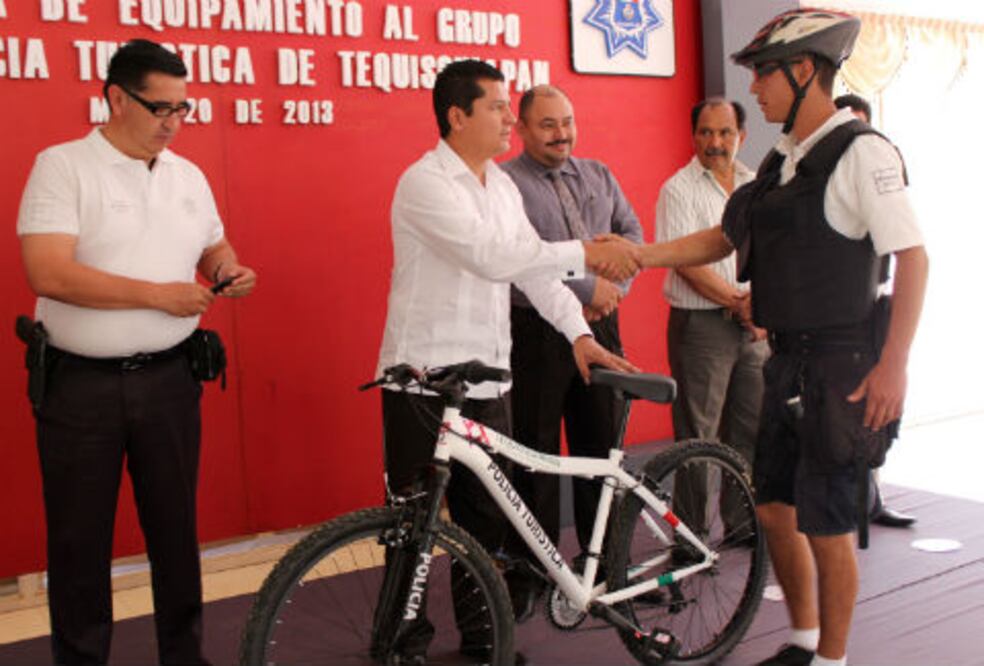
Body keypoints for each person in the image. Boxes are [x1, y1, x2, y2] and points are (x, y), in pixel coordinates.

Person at [617, 10, 928, 666]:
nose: (754, 88)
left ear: (806, 71)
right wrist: (641, 256)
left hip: (843, 365)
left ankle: (832, 661)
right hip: (784, 362)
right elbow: (724, 237)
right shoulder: (783, 161)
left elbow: (914, 258)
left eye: (763, 74)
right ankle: (806, 640)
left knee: (828, 524)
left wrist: (894, 366)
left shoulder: (861, 152)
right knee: (775, 513)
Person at [375, 60, 638, 663]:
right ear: (457, 115)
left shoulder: (500, 184)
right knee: (410, 527)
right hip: (422, 381)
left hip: (490, 377)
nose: (506, 119)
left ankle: (483, 638)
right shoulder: (426, 182)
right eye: (496, 107)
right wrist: (589, 253)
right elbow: (492, 256)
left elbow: (531, 267)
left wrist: (578, 334)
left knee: (486, 524)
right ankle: (399, 645)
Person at [16, 39, 256, 665]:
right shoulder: (62, 166)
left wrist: (228, 268)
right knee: (79, 544)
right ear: (116, 97)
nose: (173, 123)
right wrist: (156, 296)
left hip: (171, 380)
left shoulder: (188, 174)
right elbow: (49, 273)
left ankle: (185, 657)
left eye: (183, 108)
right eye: (159, 109)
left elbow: (213, 247)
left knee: (176, 537)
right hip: (80, 387)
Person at [499, 85, 644, 611]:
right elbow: (527, 260)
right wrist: (589, 288)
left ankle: (606, 569)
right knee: (534, 453)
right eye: (547, 124)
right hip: (535, 331)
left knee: (601, 450)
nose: (561, 133)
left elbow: (631, 233)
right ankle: (532, 577)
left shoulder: (599, 174)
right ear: (521, 128)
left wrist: (613, 292)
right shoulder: (507, 185)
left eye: (567, 121)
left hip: (602, 327)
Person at [655, 98, 768, 541]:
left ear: (742, 136)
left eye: (724, 133)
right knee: (698, 439)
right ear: (693, 135)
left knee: (749, 428)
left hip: (752, 327)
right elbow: (685, 261)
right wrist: (738, 302)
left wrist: (757, 306)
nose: (714, 142)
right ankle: (691, 538)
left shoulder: (755, 183)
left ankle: (741, 527)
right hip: (701, 328)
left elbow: (767, 251)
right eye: (705, 132)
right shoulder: (678, 188)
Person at [833, 93, 917, 530]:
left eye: (860, 124)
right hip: (837, 313)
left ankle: (873, 497)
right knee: (848, 415)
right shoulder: (827, 167)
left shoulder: (881, 158)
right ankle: (856, 502)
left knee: (879, 412)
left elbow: (912, 253)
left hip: (877, 301)